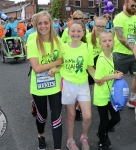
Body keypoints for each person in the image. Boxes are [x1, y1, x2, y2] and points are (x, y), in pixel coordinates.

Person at [52, 20, 94, 150]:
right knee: (71, 115)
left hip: (83, 84)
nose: (75, 33)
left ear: (83, 32)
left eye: (79, 31)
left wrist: (98, 78)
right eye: (73, 31)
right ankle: (70, 140)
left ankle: (84, 137)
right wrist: (55, 69)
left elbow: (89, 67)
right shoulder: (63, 47)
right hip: (68, 84)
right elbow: (61, 64)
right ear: (68, 32)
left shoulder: (88, 47)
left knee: (87, 116)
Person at [27, 11, 63, 150]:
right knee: (42, 116)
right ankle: (41, 135)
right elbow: (36, 68)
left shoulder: (58, 40)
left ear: (51, 24)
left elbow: (63, 63)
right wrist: (56, 62)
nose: (43, 26)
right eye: (40, 23)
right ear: (36, 24)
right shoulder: (32, 40)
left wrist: (58, 65)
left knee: (56, 116)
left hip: (55, 86)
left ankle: (57, 148)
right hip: (38, 87)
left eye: (46, 23)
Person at [94, 31, 122, 150]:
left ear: (113, 42)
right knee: (104, 120)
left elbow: (108, 72)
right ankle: (102, 139)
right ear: (100, 43)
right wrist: (114, 76)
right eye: (104, 41)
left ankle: (102, 133)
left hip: (110, 94)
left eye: (110, 40)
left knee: (116, 118)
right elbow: (98, 78)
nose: (107, 43)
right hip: (101, 95)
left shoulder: (110, 56)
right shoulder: (101, 59)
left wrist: (115, 73)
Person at [113, 0, 136, 108]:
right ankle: (114, 99)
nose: (134, 7)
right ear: (126, 4)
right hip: (120, 53)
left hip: (133, 53)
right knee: (117, 77)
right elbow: (120, 37)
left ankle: (132, 99)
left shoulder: (135, 17)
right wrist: (133, 49)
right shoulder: (119, 17)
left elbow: (134, 32)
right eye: (132, 5)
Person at [86, 17, 107, 92]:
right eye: (98, 26)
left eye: (103, 26)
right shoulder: (87, 37)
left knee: (101, 88)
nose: (100, 28)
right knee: (88, 88)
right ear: (94, 26)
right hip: (89, 66)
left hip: (100, 66)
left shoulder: (106, 38)